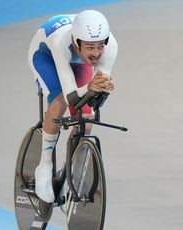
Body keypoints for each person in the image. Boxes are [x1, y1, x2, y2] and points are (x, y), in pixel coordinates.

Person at [27, 10, 118, 203]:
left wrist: (103, 90)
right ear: (77, 42)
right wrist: (92, 87)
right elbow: (71, 98)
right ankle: (44, 166)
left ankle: (68, 170)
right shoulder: (62, 42)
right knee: (59, 100)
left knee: (87, 119)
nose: (96, 53)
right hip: (46, 56)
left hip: (76, 60)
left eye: (100, 46)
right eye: (91, 47)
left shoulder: (110, 48)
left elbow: (93, 102)